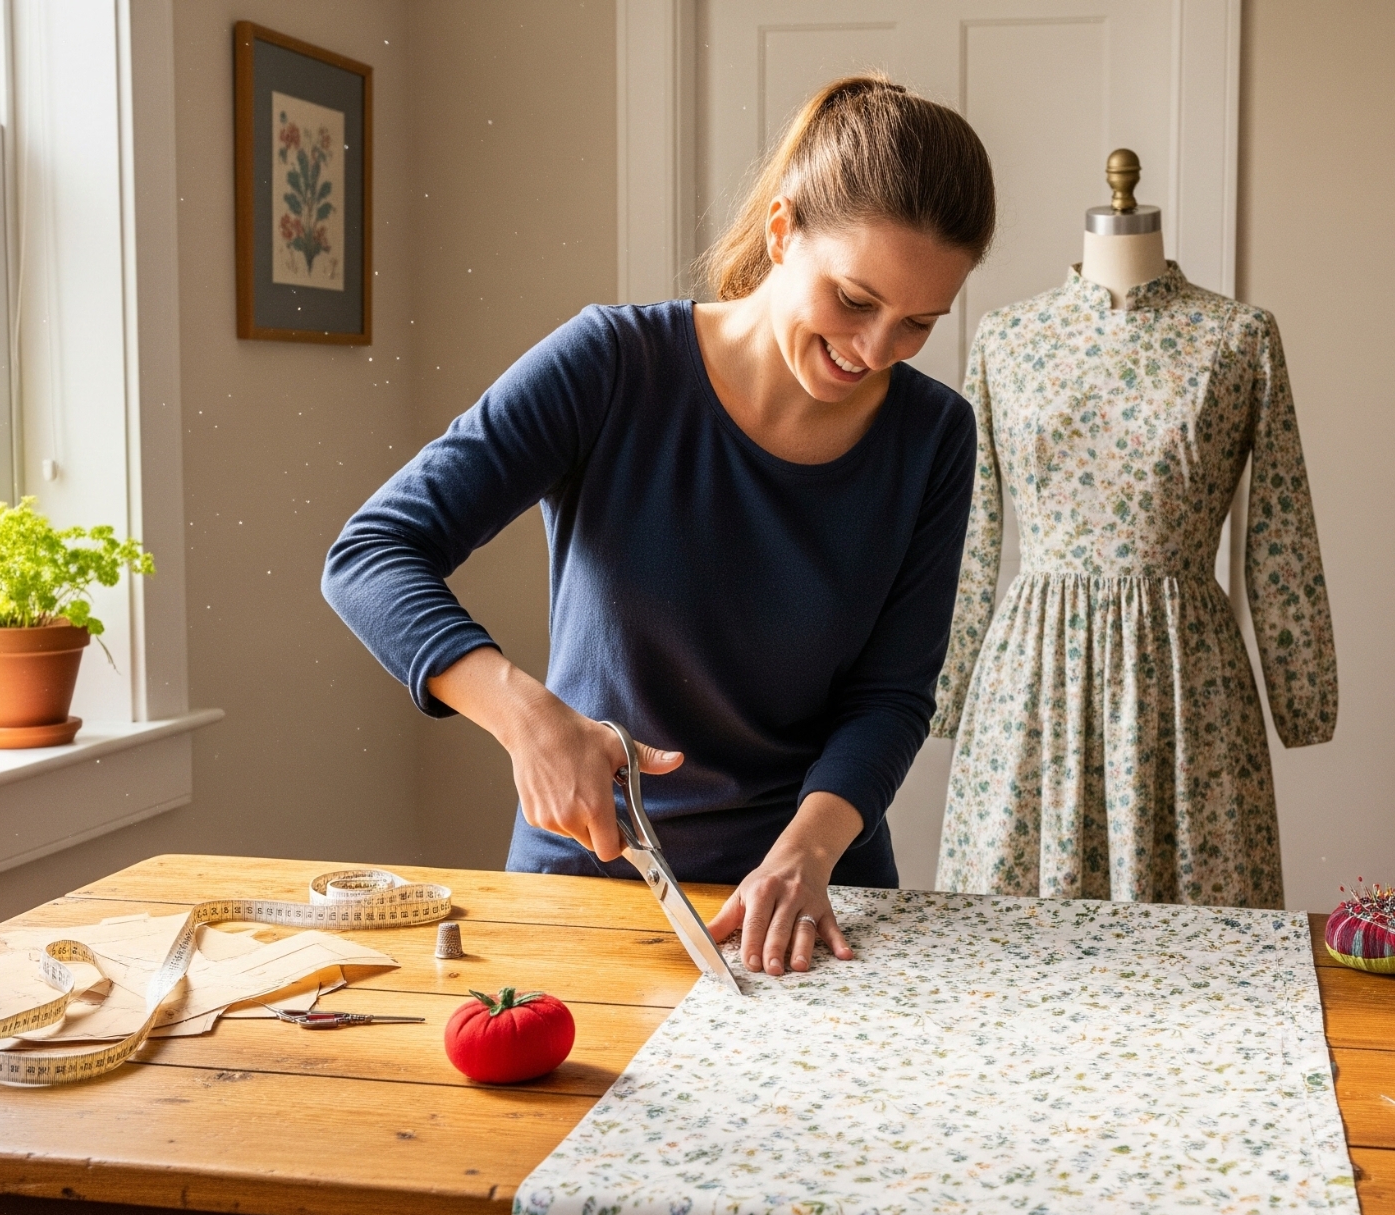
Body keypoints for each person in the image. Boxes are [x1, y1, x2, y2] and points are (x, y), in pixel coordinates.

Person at [323, 75, 995, 978]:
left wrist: (806, 853)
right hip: (592, 884)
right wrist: (527, 718)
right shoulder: (611, 366)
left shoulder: (934, 436)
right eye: (854, 300)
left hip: (808, 901)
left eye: (918, 323)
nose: (875, 351)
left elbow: (891, 695)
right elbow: (371, 553)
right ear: (781, 232)